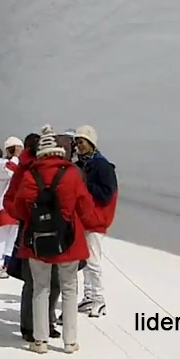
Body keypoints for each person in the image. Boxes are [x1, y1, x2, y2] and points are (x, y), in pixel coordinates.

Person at [9, 125, 101, 355]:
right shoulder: (71, 174)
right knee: (69, 289)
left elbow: (18, 209)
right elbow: (86, 207)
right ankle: (70, 341)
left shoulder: (30, 175)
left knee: (40, 289)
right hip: (69, 240)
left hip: (37, 241)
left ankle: (40, 340)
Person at [4, 133, 60, 341]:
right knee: (33, 280)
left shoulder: (59, 168)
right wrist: (25, 216)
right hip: (31, 228)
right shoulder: (25, 169)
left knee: (53, 280)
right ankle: (29, 325)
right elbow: (10, 199)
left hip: (55, 229)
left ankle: (47, 321)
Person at [72, 125, 117, 318]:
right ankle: (89, 296)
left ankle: (99, 299)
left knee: (93, 260)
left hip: (96, 219)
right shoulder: (82, 164)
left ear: (91, 142)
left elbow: (107, 194)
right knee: (84, 260)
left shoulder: (102, 166)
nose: (78, 146)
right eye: (77, 143)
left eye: (81, 142)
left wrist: (84, 184)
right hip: (85, 217)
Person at [0, 137, 23, 277]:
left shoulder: (18, 164)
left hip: (14, 207)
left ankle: (6, 264)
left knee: (11, 237)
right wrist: (16, 157)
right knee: (0, 237)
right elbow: (11, 171)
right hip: (1, 206)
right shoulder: (1, 163)